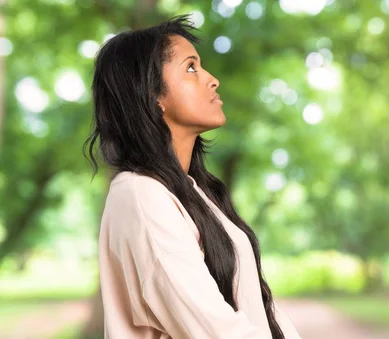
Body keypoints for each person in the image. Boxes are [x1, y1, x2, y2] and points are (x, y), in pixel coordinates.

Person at [84, 15, 302, 339]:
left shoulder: (194, 191)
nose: (212, 79)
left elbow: (260, 311)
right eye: (191, 68)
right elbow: (215, 330)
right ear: (152, 96)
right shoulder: (141, 196)